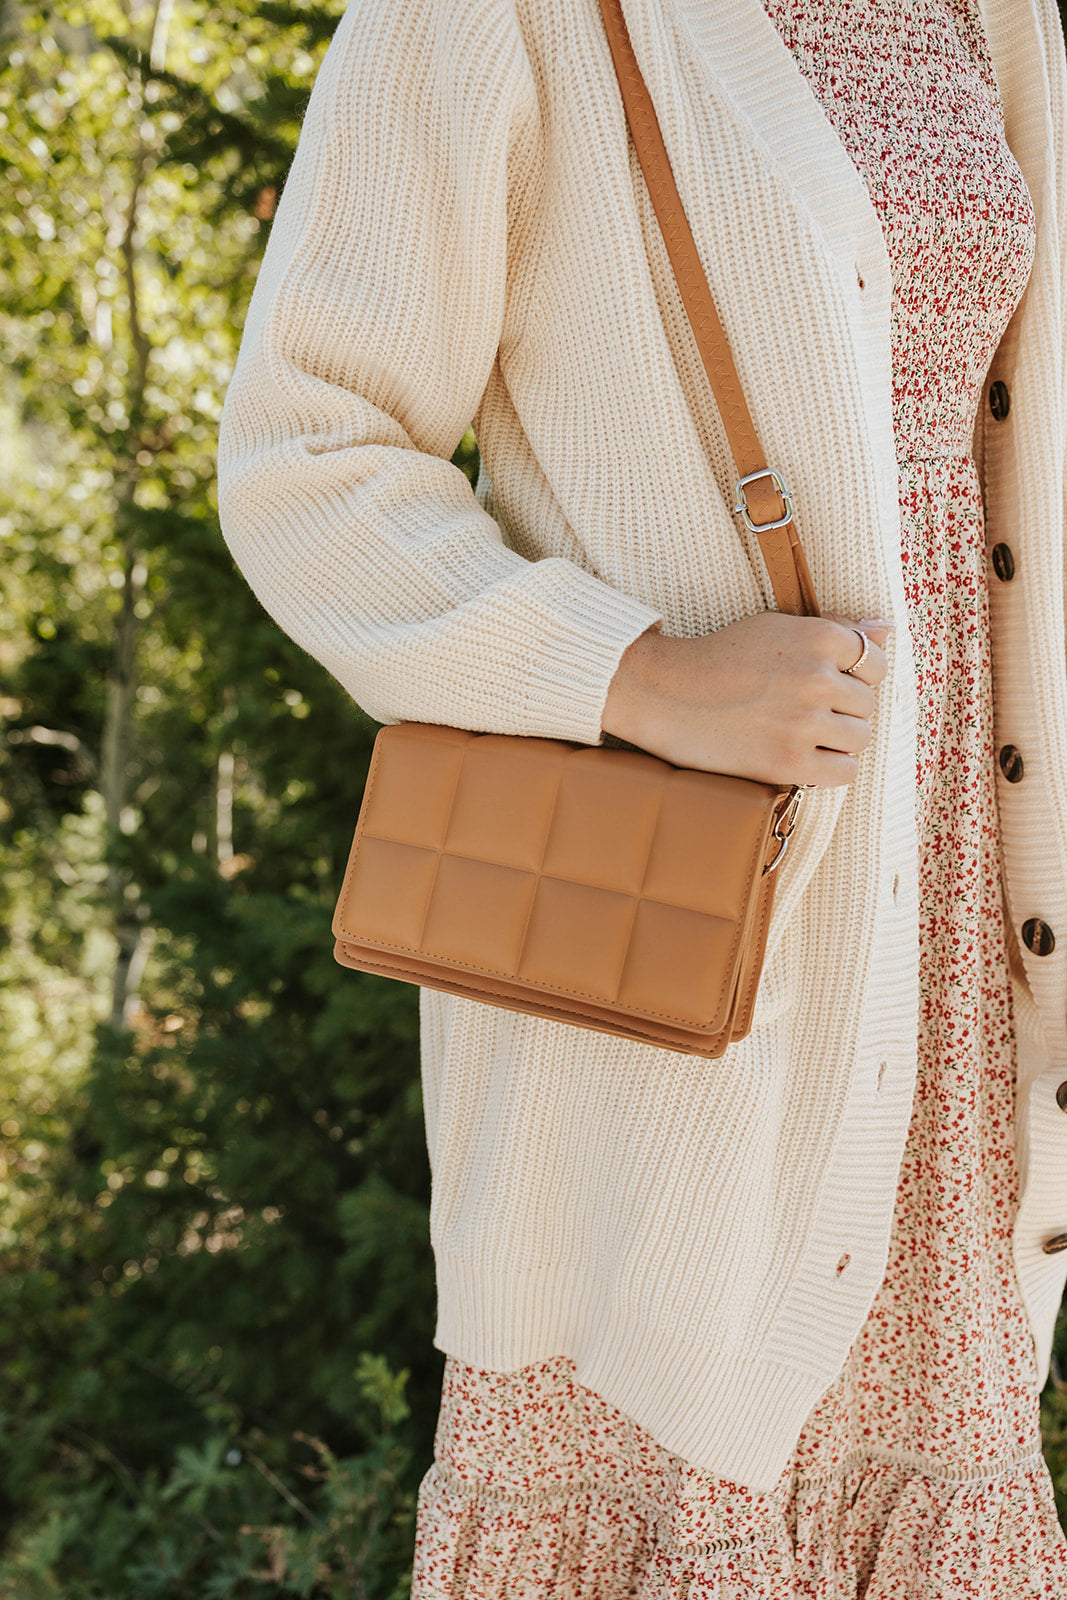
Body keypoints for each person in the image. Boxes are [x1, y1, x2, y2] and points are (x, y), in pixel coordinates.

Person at [217, 0, 1067, 1591]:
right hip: (678, 1014)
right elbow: (305, 455)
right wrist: (636, 677)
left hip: (950, 979)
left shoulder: (993, 13)